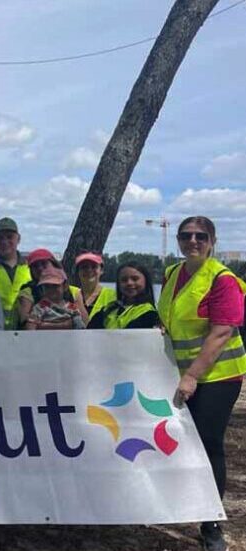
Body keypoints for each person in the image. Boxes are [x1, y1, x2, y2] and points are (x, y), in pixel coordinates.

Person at [158, 216, 246, 551]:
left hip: (217, 377)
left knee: (208, 444)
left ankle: (211, 524)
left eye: (200, 236)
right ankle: (184, 502)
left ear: (212, 240)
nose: (192, 241)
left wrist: (193, 375)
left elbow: (221, 331)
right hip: (182, 375)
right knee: (179, 441)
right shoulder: (170, 274)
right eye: (186, 236)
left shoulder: (223, 280)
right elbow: (171, 317)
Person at [16, 248, 87, 330]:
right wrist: (63, 325)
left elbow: (84, 323)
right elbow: (25, 324)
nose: (39, 268)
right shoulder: (28, 294)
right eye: (35, 266)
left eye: (43, 263)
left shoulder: (74, 293)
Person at [88, 263, 158, 329]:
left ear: (146, 281)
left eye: (135, 279)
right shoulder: (107, 310)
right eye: (124, 280)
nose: (129, 283)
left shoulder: (151, 315)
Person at [74, 251, 116, 323]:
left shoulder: (113, 296)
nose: (89, 270)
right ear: (78, 271)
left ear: (101, 270)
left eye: (94, 267)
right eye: (84, 267)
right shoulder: (70, 294)